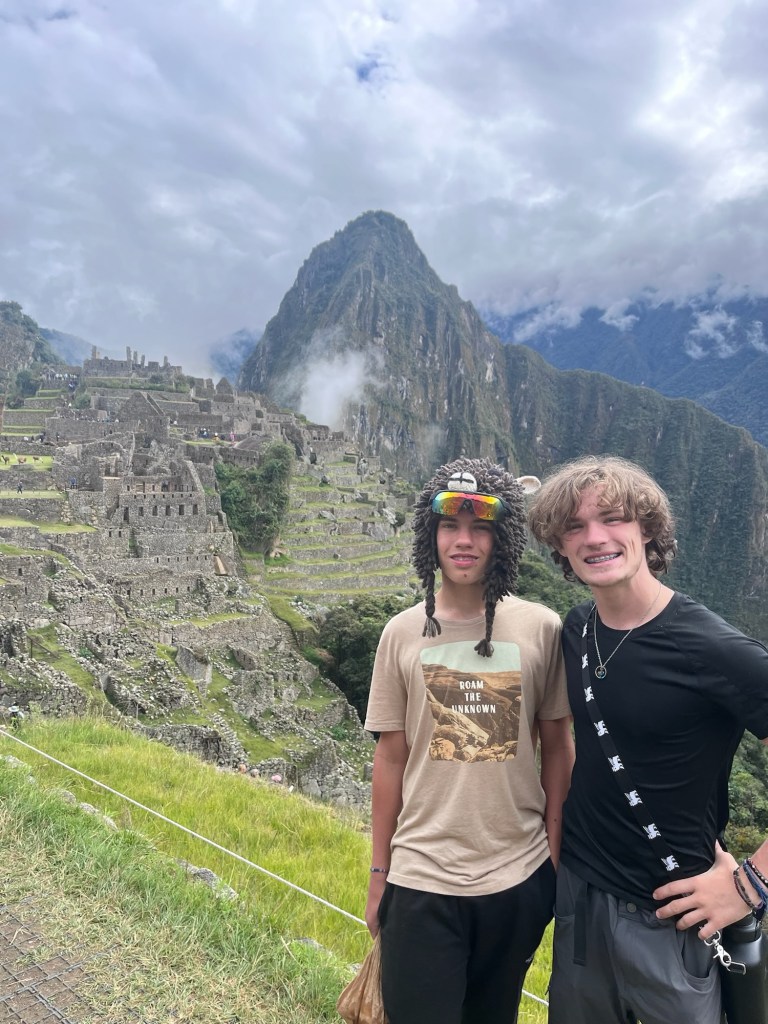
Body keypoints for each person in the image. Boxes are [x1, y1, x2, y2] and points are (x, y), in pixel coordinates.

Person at [527, 454, 768, 1024]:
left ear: (647, 529)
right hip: (581, 894)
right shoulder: (577, 629)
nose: (596, 538)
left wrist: (751, 882)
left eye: (612, 519)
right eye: (575, 526)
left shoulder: (713, 649)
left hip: (673, 914)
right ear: (559, 546)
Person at [364, 457, 574, 1024]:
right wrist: (379, 875)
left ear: (501, 537)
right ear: (428, 534)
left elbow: (556, 744)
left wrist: (552, 858)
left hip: (518, 877)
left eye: (481, 526)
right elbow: (390, 757)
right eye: (450, 525)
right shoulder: (402, 633)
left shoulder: (539, 627)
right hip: (421, 877)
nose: (464, 541)